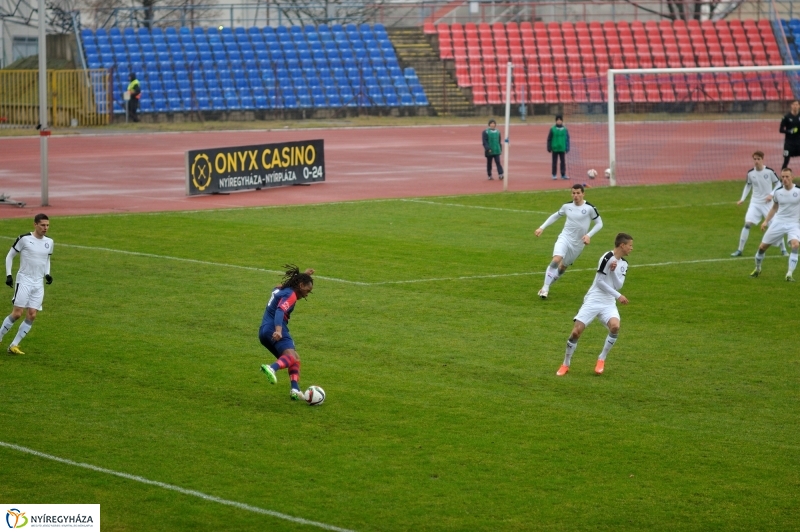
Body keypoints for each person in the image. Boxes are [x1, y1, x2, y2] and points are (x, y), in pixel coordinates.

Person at [556, 232, 633, 376]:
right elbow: (599, 282)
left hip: (608, 302)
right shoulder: (606, 258)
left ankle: (601, 359)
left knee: (615, 327)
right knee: (575, 332)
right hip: (594, 299)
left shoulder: (624, 264)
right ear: (622, 245)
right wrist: (618, 296)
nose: (631, 248)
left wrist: (614, 271)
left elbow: (618, 285)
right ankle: (565, 364)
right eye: (630, 245)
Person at [534, 184, 603, 299]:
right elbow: (555, 216)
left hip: (578, 244)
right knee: (556, 259)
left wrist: (588, 235)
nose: (575, 196)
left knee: (562, 268)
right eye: (573, 193)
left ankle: (546, 285)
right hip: (564, 238)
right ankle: (545, 288)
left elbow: (599, 223)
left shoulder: (590, 208)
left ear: (583, 194)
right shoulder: (566, 206)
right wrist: (542, 227)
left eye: (578, 193)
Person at [259, 264, 315, 401]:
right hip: (275, 328)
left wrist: (305, 275)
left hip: (264, 331)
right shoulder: (291, 295)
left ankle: (295, 389)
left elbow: (293, 284)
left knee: (295, 357)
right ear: (301, 285)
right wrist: (278, 330)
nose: (307, 294)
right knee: (291, 357)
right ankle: (272, 368)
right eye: (308, 290)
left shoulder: (280, 288)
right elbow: (280, 310)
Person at [1, 214, 54, 355]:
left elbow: (47, 259)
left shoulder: (49, 242)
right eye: (43, 225)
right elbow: (10, 256)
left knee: (32, 315)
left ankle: (14, 345)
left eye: (47, 225)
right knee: (17, 314)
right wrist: (9, 275)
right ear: (35, 224)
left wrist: (47, 273)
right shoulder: (24, 239)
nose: (45, 228)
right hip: (24, 280)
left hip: (38, 283)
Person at [731, 151, 787, 257]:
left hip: (768, 204)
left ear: (762, 159)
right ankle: (739, 250)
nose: (756, 161)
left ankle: (783, 249)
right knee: (747, 224)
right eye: (755, 159)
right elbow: (748, 185)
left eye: (758, 159)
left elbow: (778, 184)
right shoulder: (750, 173)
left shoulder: (769, 172)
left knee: (776, 226)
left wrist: (771, 194)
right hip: (755, 203)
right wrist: (742, 199)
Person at [750, 167, 800, 281]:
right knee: (762, 247)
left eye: (787, 176)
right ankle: (757, 269)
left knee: (795, 245)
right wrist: (765, 221)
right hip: (779, 222)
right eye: (783, 177)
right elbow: (774, 208)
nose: (785, 179)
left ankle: (789, 274)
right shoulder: (778, 192)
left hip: (793, 224)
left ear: (792, 177)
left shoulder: (798, 191)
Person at [547, 115, 570, 180]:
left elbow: (567, 139)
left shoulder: (565, 129)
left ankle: (563, 174)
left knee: (563, 162)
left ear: (562, 121)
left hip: (562, 148)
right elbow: (549, 139)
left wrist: (567, 147)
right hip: (555, 148)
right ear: (556, 121)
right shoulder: (552, 129)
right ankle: (554, 174)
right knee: (554, 162)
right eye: (558, 120)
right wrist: (549, 147)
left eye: (560, 120)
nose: (559, 121)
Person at [780, 100, 800, 169]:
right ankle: (783, 176)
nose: (795, 106)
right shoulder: (786, 117)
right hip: (789, 143)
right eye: (794, 105)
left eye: (797, 105)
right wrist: (789, 131)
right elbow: (781, 130)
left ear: (799, 106)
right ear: (791, 106)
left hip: (799, 142)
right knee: (786, 161)